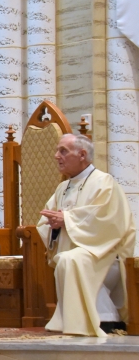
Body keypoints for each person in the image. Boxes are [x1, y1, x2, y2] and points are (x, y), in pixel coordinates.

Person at [38, 133, 136, 337]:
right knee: (66, 258)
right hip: (78, 253)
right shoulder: (62, 188)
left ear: (82, 154)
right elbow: (47, 221)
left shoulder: (104, 182)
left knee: (70, 260)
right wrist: (54, 224)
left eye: (63, 151)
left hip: (105, 254)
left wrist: (66, 219)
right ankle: (81, 321)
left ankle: (103, 320)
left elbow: (108, 222)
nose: (57, 156)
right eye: (57, 150)